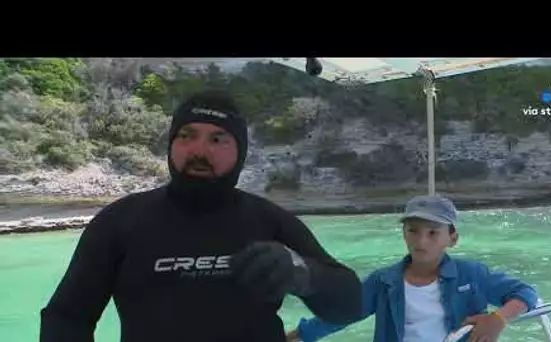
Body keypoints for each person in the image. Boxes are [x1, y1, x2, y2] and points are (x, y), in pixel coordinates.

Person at [40, 90, 362, 342]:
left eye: (217, 139)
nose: (199, 151)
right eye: (187, 135)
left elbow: (350, 304)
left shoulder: (270, 221)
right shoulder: (120, 222)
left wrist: (302, 274)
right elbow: (67, 318)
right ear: (171, 144)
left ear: (240, 152)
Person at [286, 195, 539, 342]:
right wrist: (296, 336)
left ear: (452, 238)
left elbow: (524, 292)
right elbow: (343, 313)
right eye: (413, 231)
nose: (421, 241)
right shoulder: (383, 281)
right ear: (403, 233)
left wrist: (498, 318)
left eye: (433, 233)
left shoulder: (471, 274)